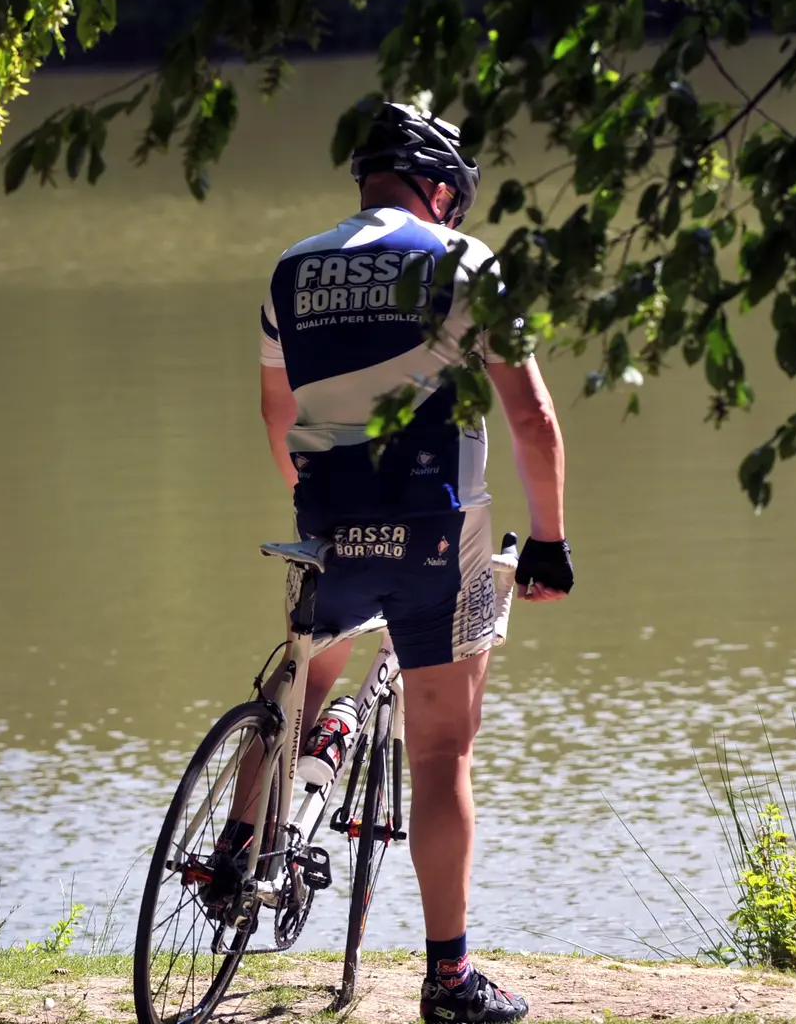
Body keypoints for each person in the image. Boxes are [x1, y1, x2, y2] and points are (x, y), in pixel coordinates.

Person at [251, 103, 573, 1024]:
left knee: (298, 689)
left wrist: (320, 505)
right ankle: (449, 981)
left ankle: (235, 853)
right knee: (440, 751)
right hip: (436, 532)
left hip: (327, 518)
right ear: (442, 190)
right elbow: (532, 421)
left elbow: (279, 419)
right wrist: (547, 541)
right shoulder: (461, 262)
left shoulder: (292, 268)